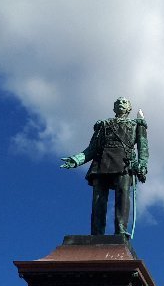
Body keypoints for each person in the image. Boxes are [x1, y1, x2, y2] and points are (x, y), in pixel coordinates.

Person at [61, 96, 148, 236]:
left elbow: (143, 148)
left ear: (129, 108)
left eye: (124, 102)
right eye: (118, 102)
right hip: (102, 161)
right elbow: (92, 148)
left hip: (124, 162)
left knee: (123, 197)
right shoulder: (104, 124)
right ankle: (96, 233)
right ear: (114, 108)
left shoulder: (136, 124)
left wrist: (142, 164)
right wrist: (76, 160)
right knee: (98, 201)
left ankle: (120, 229)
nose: (121, 103)